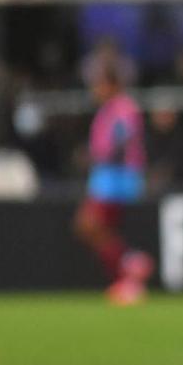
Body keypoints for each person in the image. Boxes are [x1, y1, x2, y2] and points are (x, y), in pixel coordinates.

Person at [73, 65, 154, 305]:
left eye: (100, 84)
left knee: (89, 223)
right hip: (105, 176)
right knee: (94, 228)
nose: (96, 90)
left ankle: (128, 271)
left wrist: (99, 157)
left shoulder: (123, 108)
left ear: (113, 85)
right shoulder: (108, 110)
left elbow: (121, 142)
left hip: (116, 177)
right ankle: (130, 265)